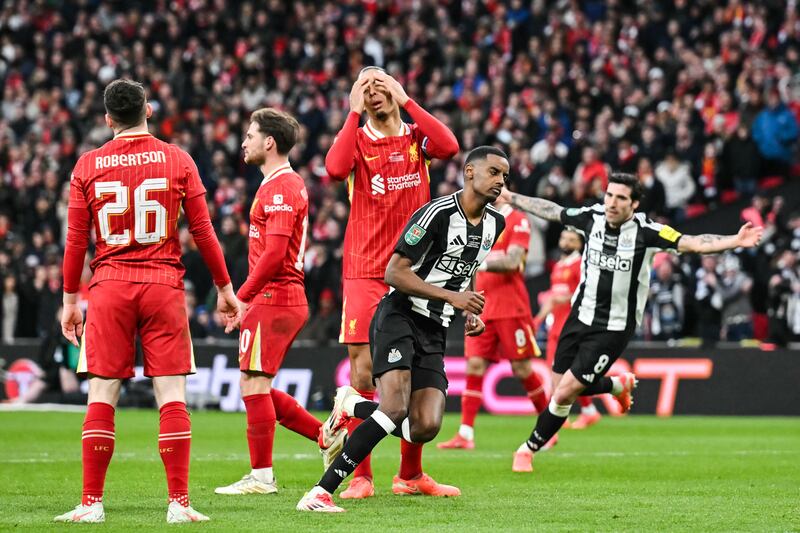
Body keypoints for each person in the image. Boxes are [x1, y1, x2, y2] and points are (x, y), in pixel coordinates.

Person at [56, 79, 240, 523]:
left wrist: (69, 300)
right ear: (149, 111)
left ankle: (91, 504)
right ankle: (178, 504)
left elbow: (76, 242)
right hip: (163, 285)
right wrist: (225, 289)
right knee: (171, 393)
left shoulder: (88, 165)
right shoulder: (178, 159)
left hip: (110, 286)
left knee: (102, 391)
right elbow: (203, 232)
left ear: (107, 119)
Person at [503, 173, 763, 473]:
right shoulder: (592, 217)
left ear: (634, 203)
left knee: (563, 395)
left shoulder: (648, 233)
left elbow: (692, 243)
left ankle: (527, 450)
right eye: (609, 195)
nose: (612, 203)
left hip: (613, 327)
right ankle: (616, 384)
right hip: (579, 316)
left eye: (621, 198)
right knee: (559, 387)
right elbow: (552, 210)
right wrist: (512, 198)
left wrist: (735, 240)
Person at [297, 146, 508, 513]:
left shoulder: (495, 224)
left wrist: (468, 305)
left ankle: (354, 405)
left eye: (505, 176)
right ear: (470, 172)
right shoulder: (436, 213)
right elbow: (394, 272)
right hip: (399, 315)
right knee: (394, 409)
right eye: (494, 172)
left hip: (436, 326)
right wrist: (453, 298)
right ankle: (321, 491)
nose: (500, 181)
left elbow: (466, 264)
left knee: (425, 425)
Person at [323, 66, 459, 498]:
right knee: (366, 370)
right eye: (366, 87)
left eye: (380, 84)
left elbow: (450, 146)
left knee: (415, 372)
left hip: (415, 273)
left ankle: (410, 475)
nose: (373, 92)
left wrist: (408, 100)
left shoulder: (417, 138)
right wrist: (351, 114)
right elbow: (333, 167)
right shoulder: (358, 141)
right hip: (365, 270)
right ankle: (361, 475)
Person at [214, 108, 344, 495]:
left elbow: (274, 254)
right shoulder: (279, 183)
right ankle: (324, 434)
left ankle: (261, 477)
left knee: (253, 384)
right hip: (275, 297)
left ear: (269, 142)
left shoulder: (281, 187)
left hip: (276, 296)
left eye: (250, 135)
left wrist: (240, 298)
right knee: (255, 386)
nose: (244, 142)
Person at [437, 197, 550, 451]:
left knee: (522, 368)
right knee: (474, 366)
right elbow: (466, 268)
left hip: (511, 308)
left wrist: (480, 263)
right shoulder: (475, 223)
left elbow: (512, 262)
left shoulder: (517, 220)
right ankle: (465, 434)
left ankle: (548, 428)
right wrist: (468, 303)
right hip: (482, 307)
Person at [533, 229, 604, 434]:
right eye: (564, 238)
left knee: (564, 372)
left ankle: (561, 414)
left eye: (572, 239)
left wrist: (557, 300)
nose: (566, 242)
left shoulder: (580, 265)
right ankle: (585, 410)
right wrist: (539, 319)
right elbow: (553, 298)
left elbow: (582, 294)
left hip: (572, 326)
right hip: (556, 325)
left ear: (579, 244)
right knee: (559, 371)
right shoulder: (558, 266)